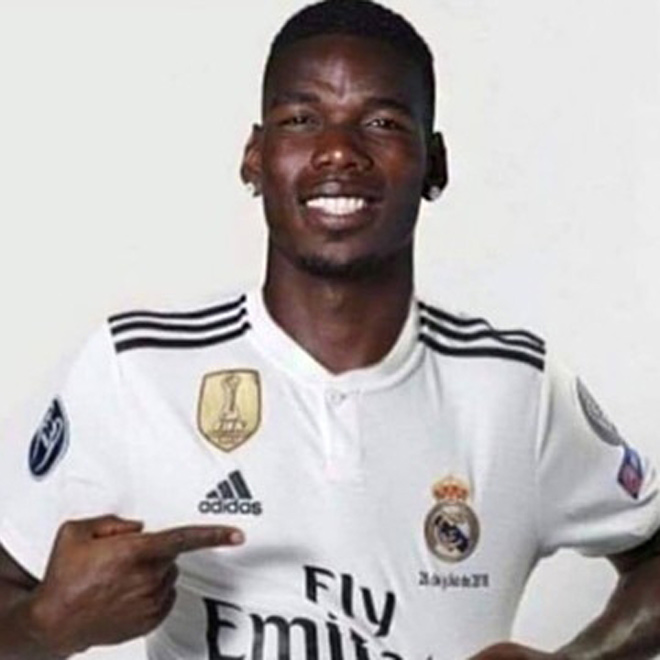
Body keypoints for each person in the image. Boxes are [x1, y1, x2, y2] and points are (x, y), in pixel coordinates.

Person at [1, 0, 659, 658]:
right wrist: (45, 625)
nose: (339, 150)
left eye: (381, 122)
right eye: (301, 119)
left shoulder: (517, 388)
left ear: (434, 164)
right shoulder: (137, 371)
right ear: (255, 156)